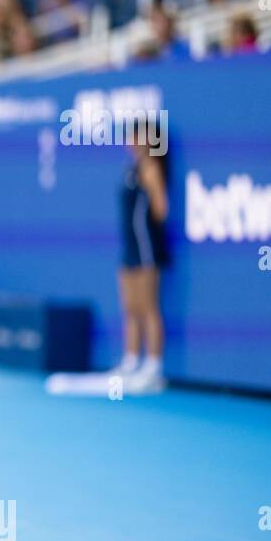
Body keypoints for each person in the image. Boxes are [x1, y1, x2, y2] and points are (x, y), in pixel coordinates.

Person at [113, 117, 170, 394]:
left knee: (149, 307)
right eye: (132, 136)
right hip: (129, 248)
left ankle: (153, 367)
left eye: (140, 135)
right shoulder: (130, 169)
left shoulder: (151, 168)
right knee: (130, 307)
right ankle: (131, 360)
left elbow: (161, 210)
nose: (134, 140)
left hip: (147, 247)